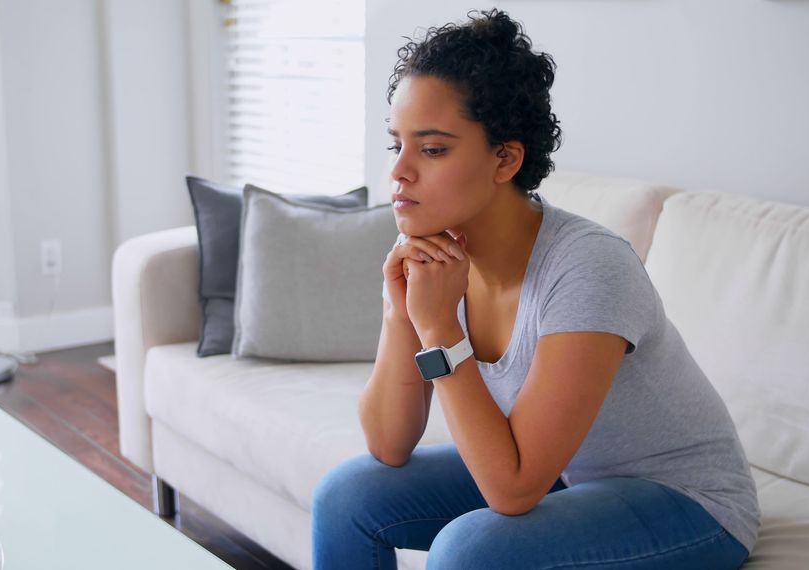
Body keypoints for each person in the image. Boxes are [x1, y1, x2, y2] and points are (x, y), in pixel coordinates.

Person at [311, 8, 759, 570]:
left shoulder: (588, 267)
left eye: (431, 149)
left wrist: (441, 328)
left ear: (505, 158)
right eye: (395, 144)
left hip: (688, 505)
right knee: (348, 497)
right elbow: (388, 444)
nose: (399, 172)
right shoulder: (430, 253)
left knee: (469, 551)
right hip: (565, 477)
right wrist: (405, 313)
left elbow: (514, 489)